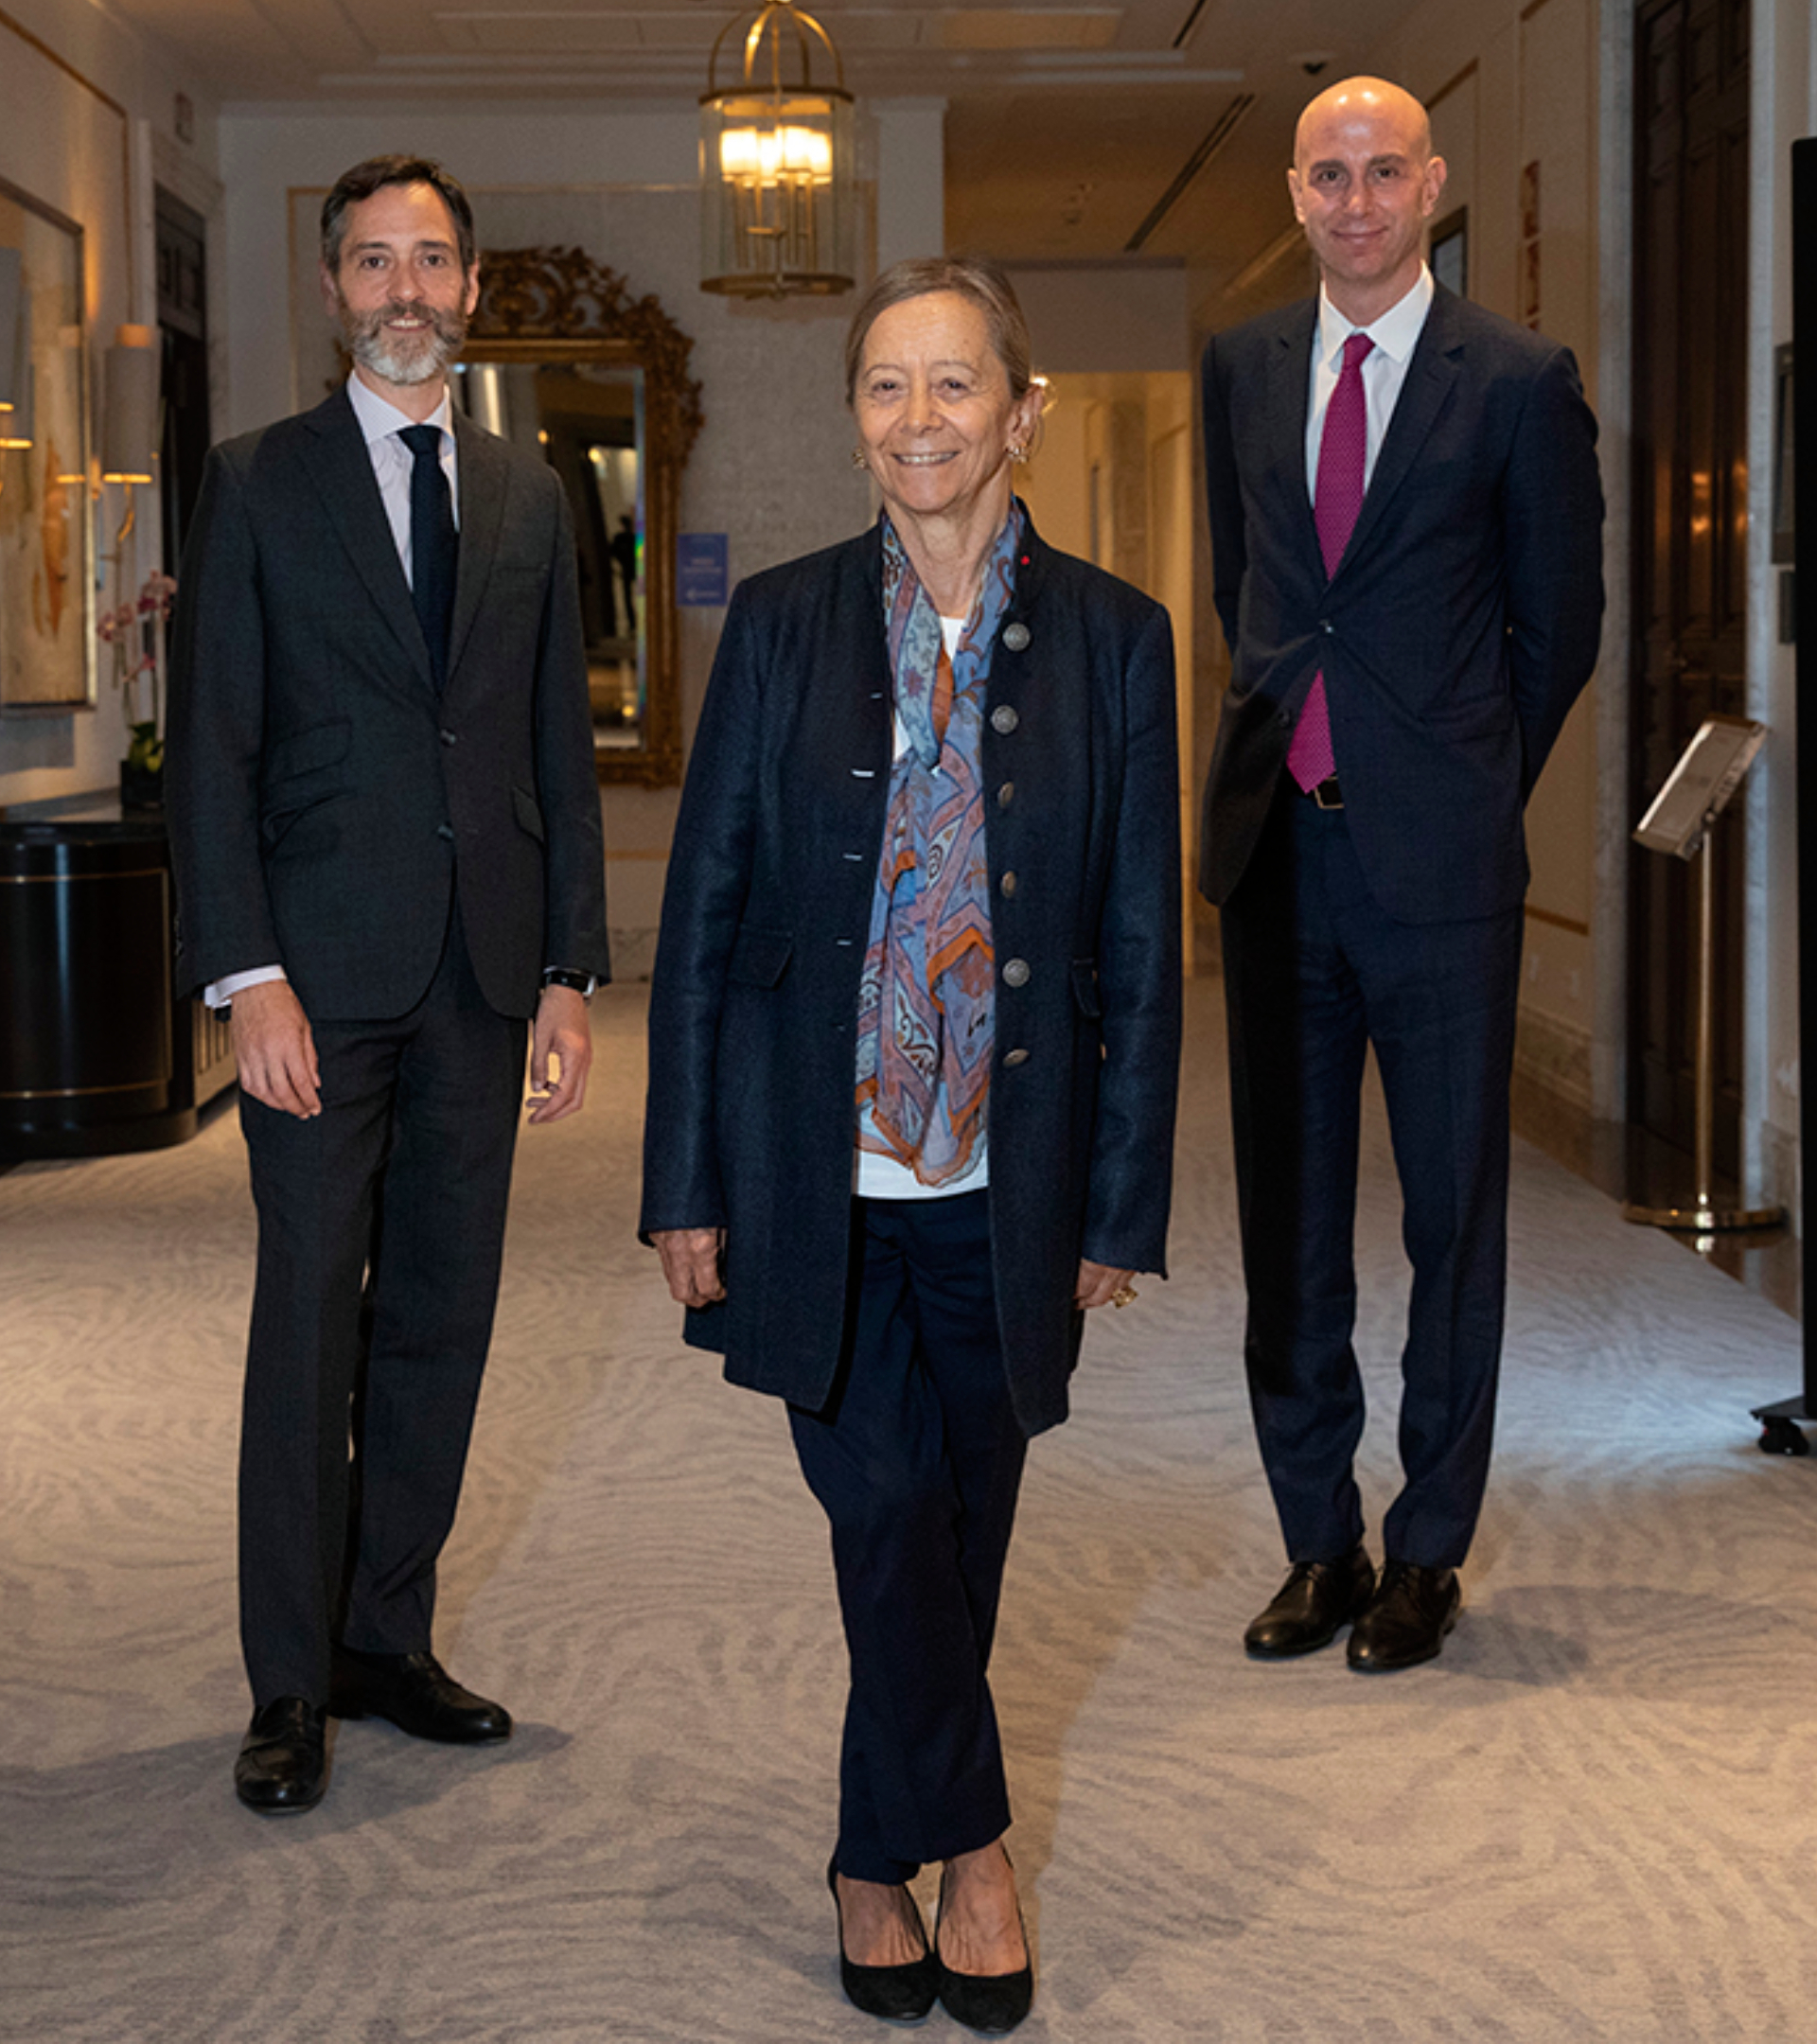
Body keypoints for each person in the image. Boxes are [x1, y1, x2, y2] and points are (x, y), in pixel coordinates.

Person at [641, 256, 1180, 2032]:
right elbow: (705, 917)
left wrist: (1120, 1199)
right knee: (883, 1507)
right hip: (818, 1171)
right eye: (887, 385)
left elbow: (1136, 945)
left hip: (1008, 1178)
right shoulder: (781, 623)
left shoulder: (1117, 638)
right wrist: (684, 1181)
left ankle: (874, 1854)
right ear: (855, 416)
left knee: (964, 1534)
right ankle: (981, 1849)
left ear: (1023, 412)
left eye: (957, 384)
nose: (920, 419)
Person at [166, 154, 609, 1814]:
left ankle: (385, 1639)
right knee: (309, 1317)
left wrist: (567, 967)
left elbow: (555, 745)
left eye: (430, 260)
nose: (404, 289)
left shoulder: (525, 493)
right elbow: (213, 751)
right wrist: (248, 980)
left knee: (440, 1312)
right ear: (334, 288)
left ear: (471, 288)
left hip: (482, 977)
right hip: (315, 980)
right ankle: (288, 1684)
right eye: (373, 261)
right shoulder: (255, 483)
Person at [1200, 77, 1604, 1673]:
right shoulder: (1242, 366)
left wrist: (1462, 776)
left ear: (1431, 184)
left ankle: (1428, 1552)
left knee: (1453, 1220)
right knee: (1289, 1230)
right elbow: (1250, 592)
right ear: (1295, 195)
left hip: (1440, 870)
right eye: (1327, 174)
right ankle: (1321, 1540)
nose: (1355, 200)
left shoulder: (1516, 380)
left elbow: (1558, 629)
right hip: (1278, 858)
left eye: (1383, 172)